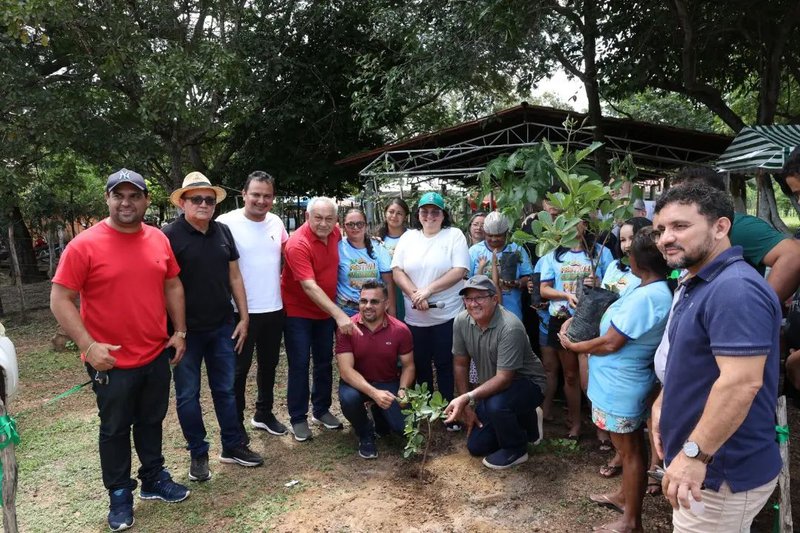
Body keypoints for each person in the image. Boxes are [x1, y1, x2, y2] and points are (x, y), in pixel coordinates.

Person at [50, 169, 190, 531]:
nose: (126, 202)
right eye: (119, 196)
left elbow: (172, 284)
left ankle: (153, 479)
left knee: (151, 420)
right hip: (109, 360)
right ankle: (119, 494)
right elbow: (60, 299)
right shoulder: (84, 244)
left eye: (134, 196)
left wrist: (180, 331)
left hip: (155, 352)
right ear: (108, 199)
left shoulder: (158, 239)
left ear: (145, 200)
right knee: (114, 428)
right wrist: (88, 345)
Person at [650, 182, 782, 532]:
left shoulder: (734, 289)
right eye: (660, 230)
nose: (665, 238)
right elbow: (694, 363)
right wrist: (663, 402)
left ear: (720, 227)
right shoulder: (699, 281)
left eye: (680, 226)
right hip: (707, 467)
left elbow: (741, 383)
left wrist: (695, 455)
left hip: (722, 472)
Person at [559, 228, 672, 533]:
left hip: (624, 385)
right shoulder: (643, 286)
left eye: (629, 250)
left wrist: (574, 346)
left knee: (631, 450)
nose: (625, 254)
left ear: (640, 260)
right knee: (625, 448)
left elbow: (611, 342)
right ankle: (624, 496)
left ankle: (631, 521)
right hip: (614, 382)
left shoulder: (651, 296)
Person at [162, 172, 263, 482]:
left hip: (222, 326)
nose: (204, 204)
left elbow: (235, 276)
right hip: (184, 333)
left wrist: (243, 317)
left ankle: (232, 445)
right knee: (188, 396)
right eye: (197, 199)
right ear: (182, 202)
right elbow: (163, 285)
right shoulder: (167, 236)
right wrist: (173, 331)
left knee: (226, 390)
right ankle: (198, 452)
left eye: (209, 199)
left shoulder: (223, 232)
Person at [445, 275, 547, 469]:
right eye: (468, 299)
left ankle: (516, 449)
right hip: (494, 388)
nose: (473, 304)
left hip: (527, 383)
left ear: (495, 298)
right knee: (477, 446)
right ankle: (527, 420)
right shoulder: (461, 321)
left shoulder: (510, 326)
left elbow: (505, 379)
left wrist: (467, 398)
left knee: (497, 405)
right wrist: (466, 406)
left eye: (480, 298)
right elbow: (460, 364)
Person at [282, 196, 362, 441]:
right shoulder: (297, 244)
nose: (324, 224)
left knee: (324, 360)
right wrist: (339, 315)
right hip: (298, 312)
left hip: (324, 312)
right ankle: (298, 417)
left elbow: (352, 242)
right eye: (318, 218)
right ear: (308, 217)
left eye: (329, 218)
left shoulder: (336, 233)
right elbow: (309, 286)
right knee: (299, 364)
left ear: (336, 220)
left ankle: (321, 409)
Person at [217, 171, 289, 438]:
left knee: (269, 365)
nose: (261, 200)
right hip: (239, 313)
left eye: (267, 196)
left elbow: (288, 255)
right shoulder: (225, 222)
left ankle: (264, 413)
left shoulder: (276, 222)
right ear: (243, 194)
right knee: (238, 371)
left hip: (273, 308)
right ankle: (235, 425)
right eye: (256, 194)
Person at [391, 192, 470, 423]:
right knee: (420, 364)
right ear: (418, 215)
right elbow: (397, 271)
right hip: (416, 317)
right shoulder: (408, 237)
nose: (430, 216)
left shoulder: (454, 235)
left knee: (446, 363)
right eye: (425, 211)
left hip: (446, 315)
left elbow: (460, 270)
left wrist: (428, 290)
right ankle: (424, 410)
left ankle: (446, 411)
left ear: (444, 215)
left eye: (435, 211)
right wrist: (416, 294)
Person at [671, 166, 800, 301]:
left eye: (678, 199)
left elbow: (794, 255)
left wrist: (761, 306)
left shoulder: (738, 226)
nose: (670, 204)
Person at [539, 222, 613, 440]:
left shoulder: (601, 252)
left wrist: (599, 283)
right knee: (570, 375)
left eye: (577, 221)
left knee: (594, 375)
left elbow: (614, 288)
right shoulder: (554, 254)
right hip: (562, 319)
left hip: (593, 320)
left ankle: (602, 427)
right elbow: (544, 289)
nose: (572, 225)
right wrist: (565, 295)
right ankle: (575, 423)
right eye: (567, 220)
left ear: (585, 224)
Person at [335, 281, 415, 459]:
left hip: (387, 382)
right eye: (364, 301)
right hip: (357, 384)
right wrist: (374, 393)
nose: (367, 306)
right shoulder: (347, 328)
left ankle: (379, 414)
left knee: (402, 429)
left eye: (374, 302)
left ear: (386, 304)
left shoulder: (401, 330)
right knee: (349, 399)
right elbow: (346, 371)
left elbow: (409, 366)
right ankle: (365, 433)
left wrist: (403, 390)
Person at [469, 211, 533, 320]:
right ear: (484, 232)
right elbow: (468, 280)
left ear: (506, 233)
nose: (494, 239)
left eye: (498, 236)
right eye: (490, 235)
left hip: (511, 310)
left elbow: (528, 276)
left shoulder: (517, 249)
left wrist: (518, 283)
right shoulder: (474, 251)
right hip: (482, 310)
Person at [336, 208, 395, 317]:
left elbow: (388, 283)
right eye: (350, 224)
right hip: (346, 311)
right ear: (343, 226)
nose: (355, 228)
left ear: (366, 225)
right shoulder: (337, 248)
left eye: (360, 224)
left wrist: (392, 314)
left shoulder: (378, 247)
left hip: (374, 310)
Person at [378, 198, 410, 321]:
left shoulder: (413, 237)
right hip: (386, 290)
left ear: (405, 217)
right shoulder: (377, 240)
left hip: (407, 288)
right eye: (391, 212)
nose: (394, 216)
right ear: (385, 213)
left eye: (399, 213)